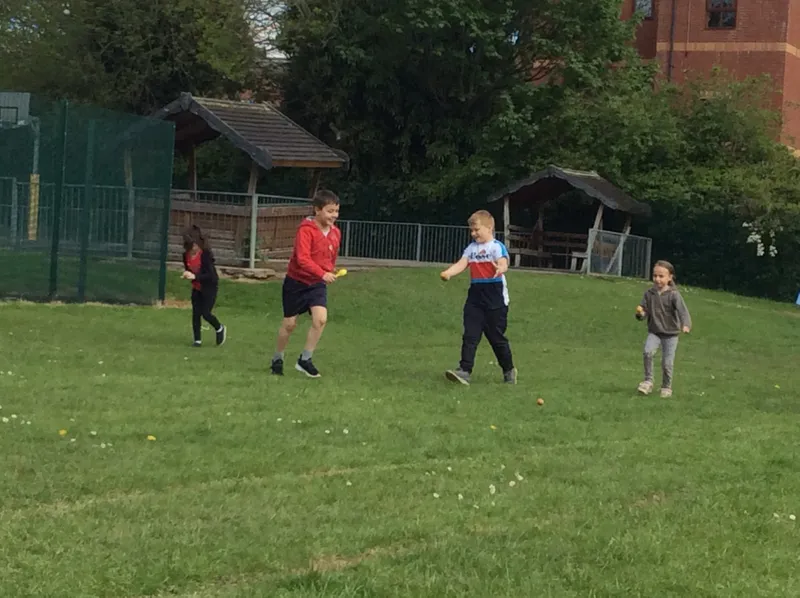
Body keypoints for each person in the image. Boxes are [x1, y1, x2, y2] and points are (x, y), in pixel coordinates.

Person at [440, 210, 517, 385]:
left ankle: (508, 369)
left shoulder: (496, 246)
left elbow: (504, 262)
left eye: (477, 230)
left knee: (496, 338)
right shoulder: (471, 249)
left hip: (495, 297)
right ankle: (464, 370)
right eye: (471, 231)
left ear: (489, 228)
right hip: (475, 297)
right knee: (470, 334)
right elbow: (462, 263)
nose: (473, 234)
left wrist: (501, 268)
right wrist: (448, 273)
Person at [271, 189, 341, 378]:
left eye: (336, 211)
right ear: (317, 210)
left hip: (316, 284)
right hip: (296, 282)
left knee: (321, 319)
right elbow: (302, 259)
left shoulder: (335, 233)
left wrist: (329, 270)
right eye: (330, 211)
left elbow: (330, 257)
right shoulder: (306, 230)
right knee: (289, 325)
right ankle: (277, 358)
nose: (334, 215)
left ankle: (305, 360)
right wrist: (322, 273)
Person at [635, 260, 692, 398]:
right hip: (654, 331)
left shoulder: (673, 294)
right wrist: (640, 314)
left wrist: (686, 324)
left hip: (671, 334)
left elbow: (683, 311)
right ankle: (648, 381)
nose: (657, 279)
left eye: (661, 276)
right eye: (655, 276)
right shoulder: (649, 294)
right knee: (647, 352)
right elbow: (644, 311)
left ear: (669, 277)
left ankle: (666, 387)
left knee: (667, 363)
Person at [181, 225, 226, 347]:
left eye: (195, 244)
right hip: (196, 288)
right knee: (196, 313)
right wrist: (187, 274)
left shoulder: (205, 255)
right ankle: (197, 340)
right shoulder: (185, 256)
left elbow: (210, 275)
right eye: (191, 245)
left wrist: (195, 276)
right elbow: (189, 270)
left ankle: (219, 328)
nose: (193, 248)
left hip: (209, 287)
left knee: (206, 313)